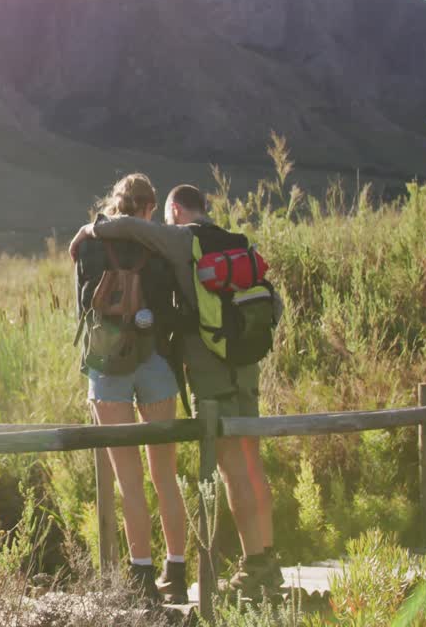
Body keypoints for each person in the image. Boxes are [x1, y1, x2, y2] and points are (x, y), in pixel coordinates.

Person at [68, 184, 284, 595]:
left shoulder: (183, 238)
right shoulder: (236, 244)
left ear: (174, 210)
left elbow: (127, 228)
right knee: (247, 466)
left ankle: (241, 567)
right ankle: (252, 561)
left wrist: (88, 229)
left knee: (223, 467)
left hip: (203, 372)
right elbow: (273, 305)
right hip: (241, 368)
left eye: (166, 218)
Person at [73, 174, 189, 605]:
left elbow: (83, 308)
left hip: (108, 368)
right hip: (154, 362)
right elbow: (172, 306)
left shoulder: (88, 242)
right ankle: (175, 572)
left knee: (129, 480)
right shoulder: (156, 242)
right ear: (147, 208)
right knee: (166, 476)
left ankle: (141, 579)